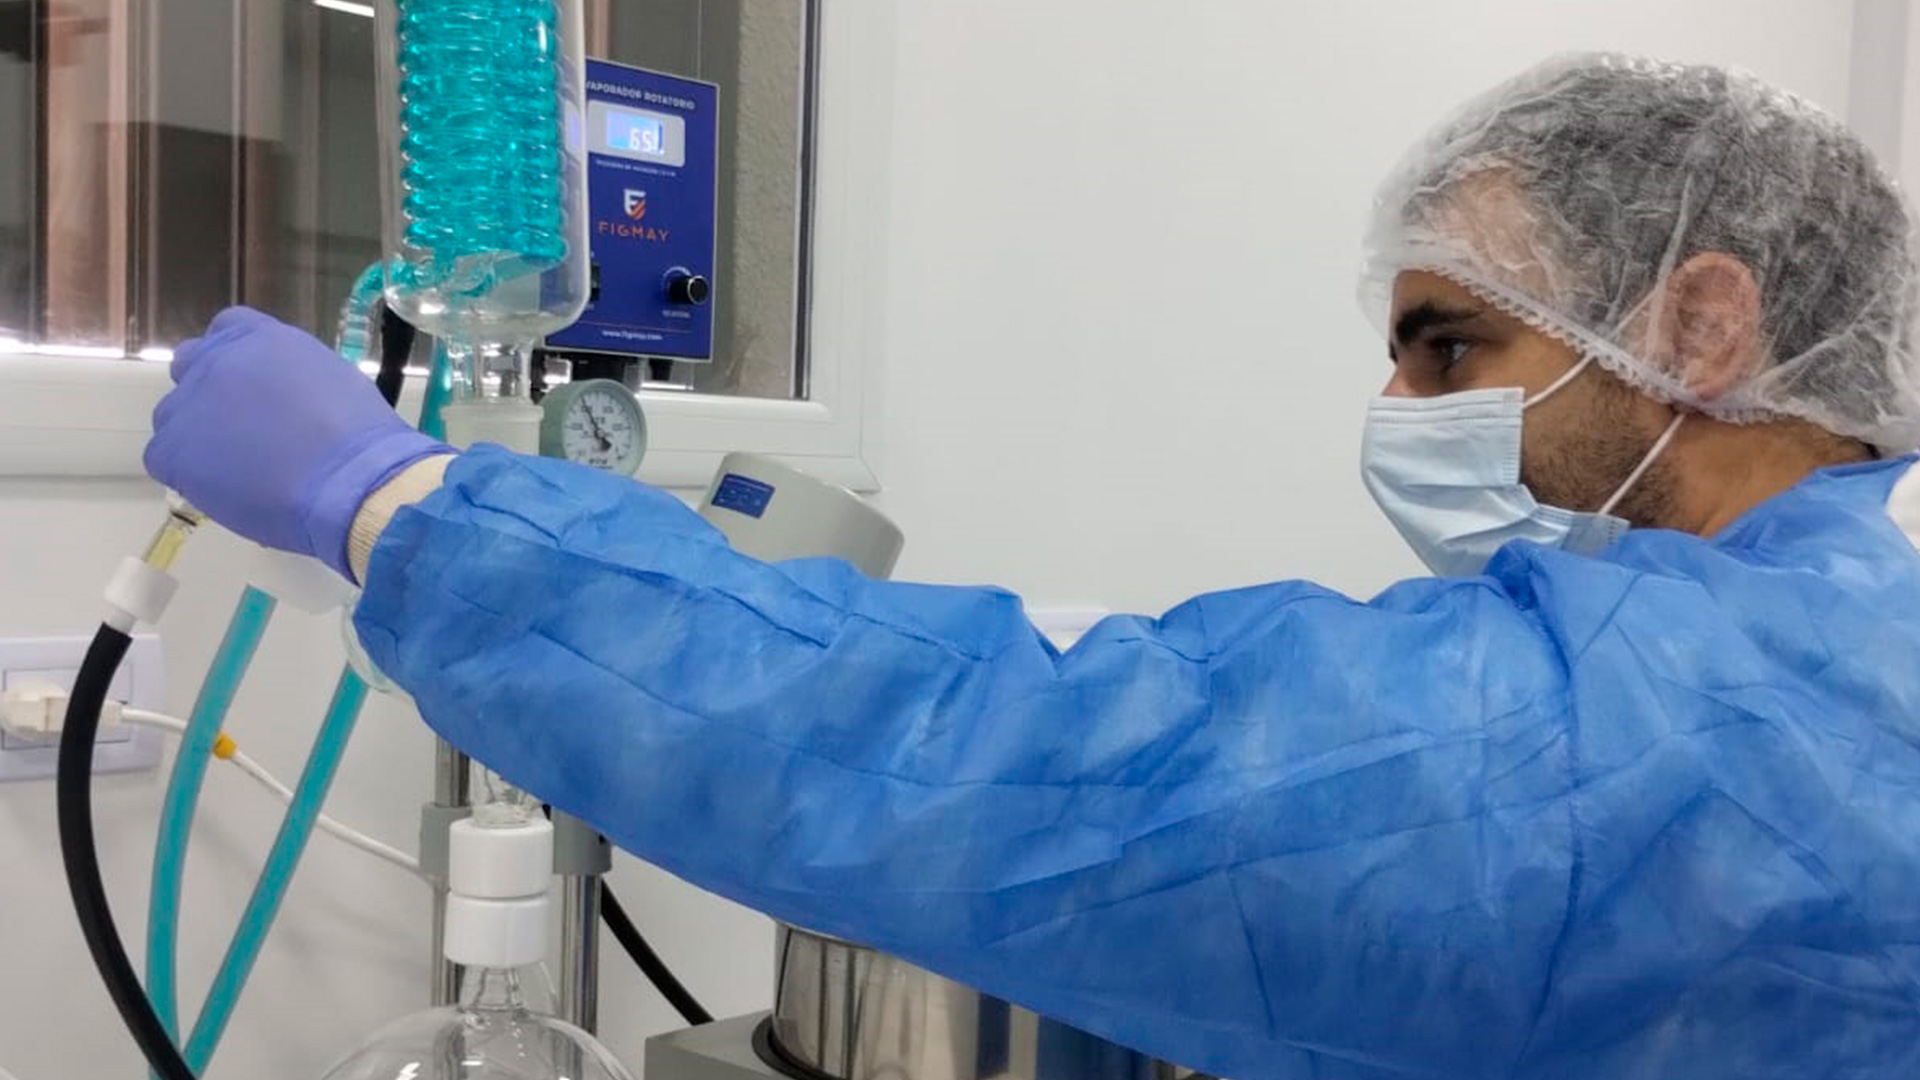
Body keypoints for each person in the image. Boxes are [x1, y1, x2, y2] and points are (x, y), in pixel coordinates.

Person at [144, 53, 1920, 1079]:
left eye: (1450, 347)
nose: (1396, 415)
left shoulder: (1726, 705)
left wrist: (397, 505)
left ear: (1697, 325)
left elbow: (1024, 765)